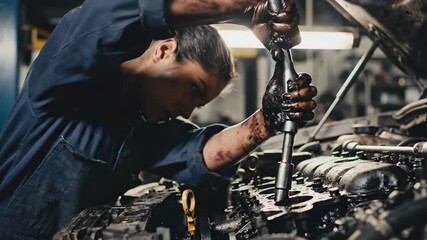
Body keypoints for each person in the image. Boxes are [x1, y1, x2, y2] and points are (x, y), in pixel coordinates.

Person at [0, 0, 317, 239]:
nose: (186, 112)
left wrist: (266, 120)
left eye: (200, 102)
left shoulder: (139, 129)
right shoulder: (68, 75)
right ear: (164, 50)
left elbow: (198, 152)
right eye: (194, 88)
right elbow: (124, 13)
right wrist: (244, 8)